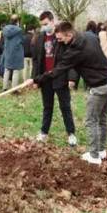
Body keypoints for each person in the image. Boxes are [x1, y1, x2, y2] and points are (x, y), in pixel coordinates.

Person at [33, 22, 107, 165]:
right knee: (102, 119)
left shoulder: (75, 51)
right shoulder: (89, 36)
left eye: (60, 39)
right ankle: (101, 151)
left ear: (69, 35)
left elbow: (58, 70)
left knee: (91, 120)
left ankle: (94, 156)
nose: (59, 42)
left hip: (99, 88)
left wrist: (37, 79)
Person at [31, 12, 77, 146]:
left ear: (52, 21)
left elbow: (71, 59)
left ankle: (71, 133)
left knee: (65, 107)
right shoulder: (40, 38)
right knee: (47, 107)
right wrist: (36, 79)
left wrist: (71, 78)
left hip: (60, 77)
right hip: (45, 78)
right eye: (42, 25)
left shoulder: (60, 37)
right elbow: (36, 61)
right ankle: (44, 132)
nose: (44, 27)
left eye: (46, 24)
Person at [2, 15, 25, 90]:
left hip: (8, 52)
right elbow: (22, 40)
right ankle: (14, 88)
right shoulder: (19, 30)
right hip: (16, 53)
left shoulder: (4, 29)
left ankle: (4, 87)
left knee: (7, 69)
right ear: (17, 21)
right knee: (16, 71)